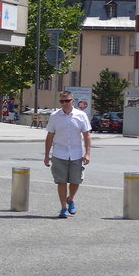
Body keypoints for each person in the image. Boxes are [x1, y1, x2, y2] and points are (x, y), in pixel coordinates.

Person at [44, 89, 92, 219]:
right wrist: (46, 155)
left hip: (76, 153)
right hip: (59, 153)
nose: (64, 103)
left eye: (67, 101)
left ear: (73, 101)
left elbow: (87, 136)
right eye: (62, 101)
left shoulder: (81, 115)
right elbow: (49, 136)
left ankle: (70, 199)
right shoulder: (55, 116)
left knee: (76, 181)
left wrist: (87, 153)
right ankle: (63, 208)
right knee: (61, 181)